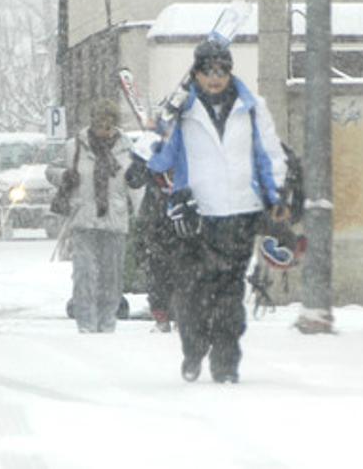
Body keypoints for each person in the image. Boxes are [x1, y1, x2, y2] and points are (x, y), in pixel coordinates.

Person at [147, 38, 288, 383]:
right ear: (195, 74)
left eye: (221, 71)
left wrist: (276, 195)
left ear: (230, 72)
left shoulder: (252, 107)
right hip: (197, 216)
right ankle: (194, 349)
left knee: (229, 295)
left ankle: (226, 363)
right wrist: (146, 161)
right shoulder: (182, 111)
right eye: (207, 71)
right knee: (193, 294)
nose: (214, 79)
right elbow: (161, 154)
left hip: (241, 212)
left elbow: (268, 154)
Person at [47, 99, 134, 333]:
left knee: (111, 277)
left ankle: (107, 324)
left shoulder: (127, 149)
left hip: (114, 220)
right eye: (100, 125)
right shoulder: (74, 146)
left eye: (109, 126)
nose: (104, 131)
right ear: (92, 123)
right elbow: (50, 170)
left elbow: (135, 184)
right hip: (83, 218)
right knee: (84, 275)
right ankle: (86, 324)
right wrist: (65, 176)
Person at [125, 132, 180, 333]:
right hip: (156, 221)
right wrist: (141, 162)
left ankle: (183, 317)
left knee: (186, 272)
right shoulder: (152, 153)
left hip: (185, 219)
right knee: (158, 271)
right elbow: (132, 179)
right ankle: (161, 317)